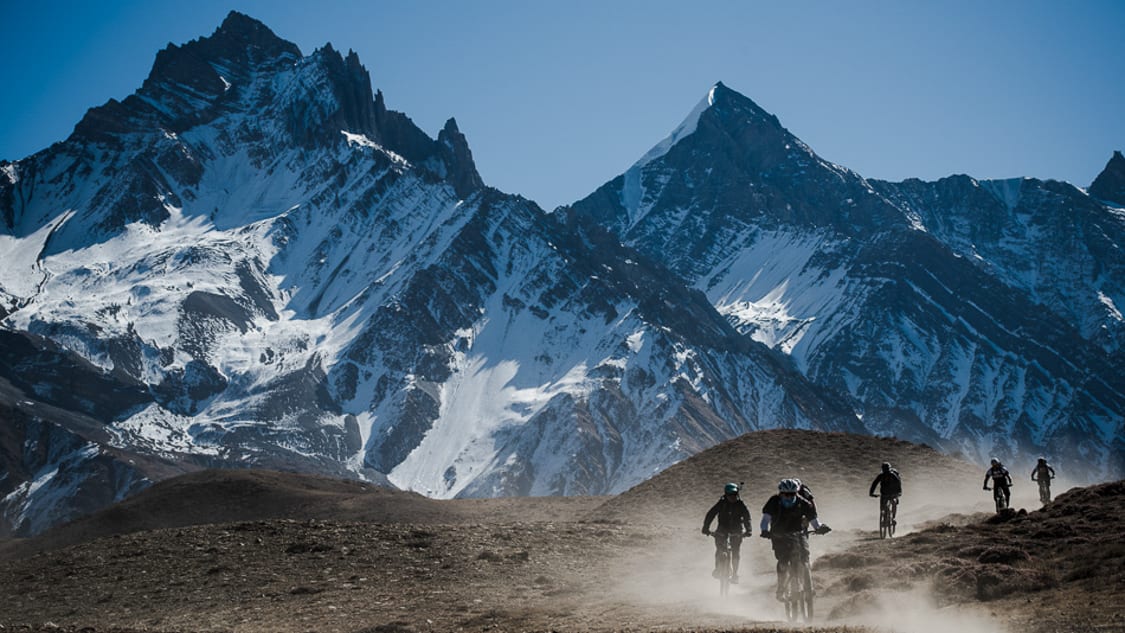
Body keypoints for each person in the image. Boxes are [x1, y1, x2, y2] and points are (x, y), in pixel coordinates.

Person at [760, 478, 830, 600]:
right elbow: (765, 519)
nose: (789, 497)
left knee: (805, 556)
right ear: (781, 493)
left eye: (793, 494)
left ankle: (809, 586)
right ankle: (781, 589)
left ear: (796, 492)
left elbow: (813, 518)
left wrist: (819, 527)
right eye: (786, 494)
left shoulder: (802, 502)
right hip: (778, 534)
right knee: (783, 562)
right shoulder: (774, 501)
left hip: (798, 533)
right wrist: (765, 531)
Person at [702, 482, 753, 584]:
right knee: (719, 549)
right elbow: (711, 514)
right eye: (730, 495)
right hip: (722, 529)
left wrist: (748, 530)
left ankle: (735, 575)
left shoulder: (740, 505)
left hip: (736, 530)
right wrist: (706, 528)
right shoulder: (721, 503)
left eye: (734, 495)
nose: (732, 497)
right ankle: (717, 568)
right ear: (726, 495)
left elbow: (747, 518)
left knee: (736, 552)